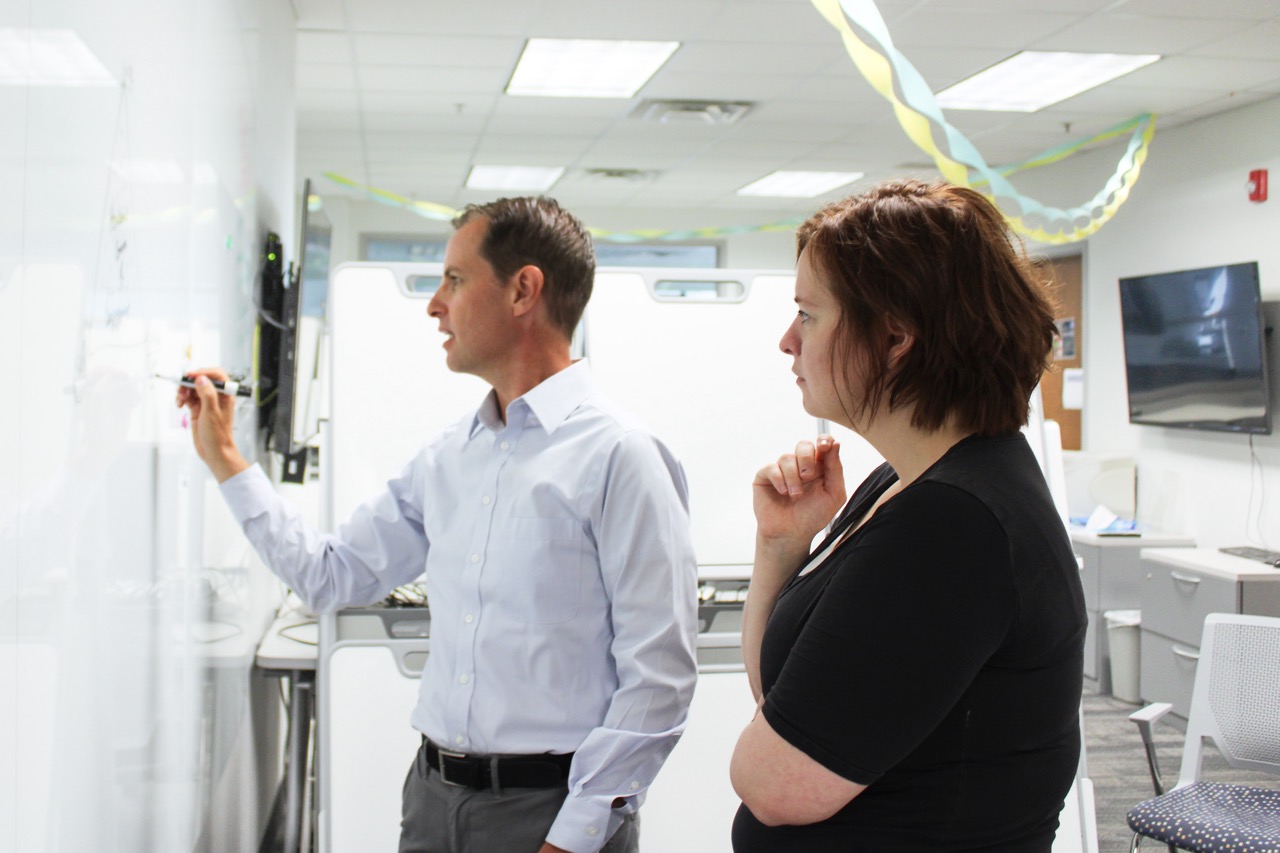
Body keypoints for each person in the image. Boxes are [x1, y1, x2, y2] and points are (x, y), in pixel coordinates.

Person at [178, 196, 698, 853]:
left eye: (454, 280)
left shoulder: (622, 455)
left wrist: (576, 834)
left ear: (523, 290)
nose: (434, 305)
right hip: (432, 803)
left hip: (551, 815)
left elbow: (659, 677)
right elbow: (330, 575)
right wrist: (226, 458)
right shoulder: (452, 455)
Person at [729, 180, 1087, 852]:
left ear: (894, 337)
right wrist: (781, 546)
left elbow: (771, 782)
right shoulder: (908, 483)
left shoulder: (952, 526)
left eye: (808, 315)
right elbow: (788, 698)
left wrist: (756, 752)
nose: (787, 340)